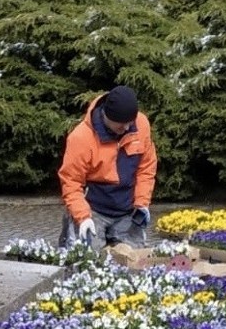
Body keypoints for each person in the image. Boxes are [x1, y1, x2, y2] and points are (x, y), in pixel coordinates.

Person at [58, 84, 157, 252]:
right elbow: (71, 182)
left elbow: (146, 168)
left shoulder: (141, 125)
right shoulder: (81, 138)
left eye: (129, 123)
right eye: (120, 125)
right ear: (106, 116)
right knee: (86, 260)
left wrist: (142, 203)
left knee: (135, 261)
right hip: (93, 211)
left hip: (127, 211)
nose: (126, 128)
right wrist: (83, 218)